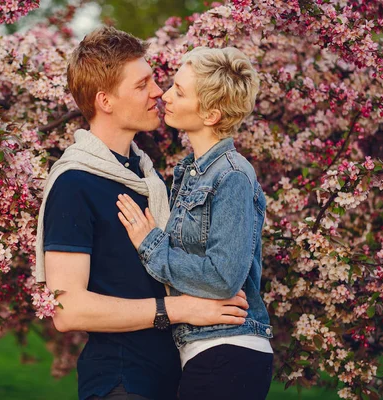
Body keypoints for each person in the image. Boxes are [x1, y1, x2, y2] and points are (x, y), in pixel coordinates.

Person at [34, 28, 250, 400]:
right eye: (142, 84)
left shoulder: (145, 177)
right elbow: (68, 309)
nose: (157, 93)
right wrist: (180, 308)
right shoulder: (75, 182)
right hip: (123, 381)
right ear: (105, 100)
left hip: (176, 376)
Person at [116, 46, 274, 400]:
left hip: (229, 352)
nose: (165, 96)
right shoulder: (189, 172)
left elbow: (222, 278)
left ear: (211, 114)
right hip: (205, 350)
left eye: (179, 91)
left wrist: (151, 244)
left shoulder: (232, 175)